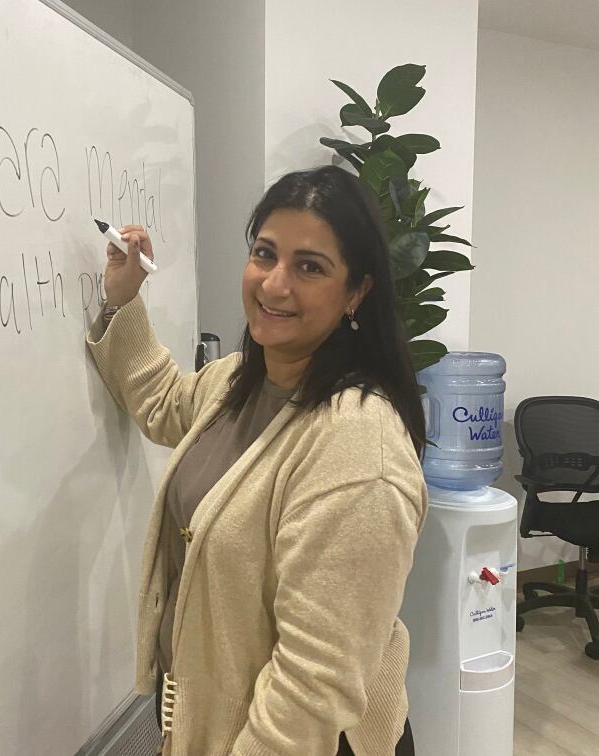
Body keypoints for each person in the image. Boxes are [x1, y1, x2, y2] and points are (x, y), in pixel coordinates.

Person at [87, 165, 428, 755]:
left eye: (309, 266)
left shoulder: (357, 447)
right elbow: (165, 400)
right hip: (214, 722)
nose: (273, 284)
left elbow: (310, 690)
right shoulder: (239, 382)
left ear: (357, 292)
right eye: (265, 254)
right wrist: (123, 300)